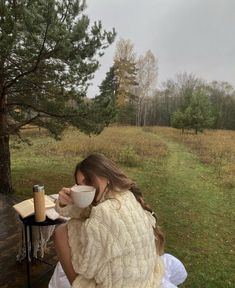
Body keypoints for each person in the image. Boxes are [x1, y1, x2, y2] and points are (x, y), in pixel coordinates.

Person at [51, 153, 187, 288]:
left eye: (88, 181)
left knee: (61, 232)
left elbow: (87, 268)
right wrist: (65, 203)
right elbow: (87, 211)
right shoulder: (126, 195)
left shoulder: (102, 214)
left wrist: (76, 246)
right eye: (79, 184)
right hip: (146, 278)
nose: (85, 188)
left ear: (105, 176)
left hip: (119, 283)